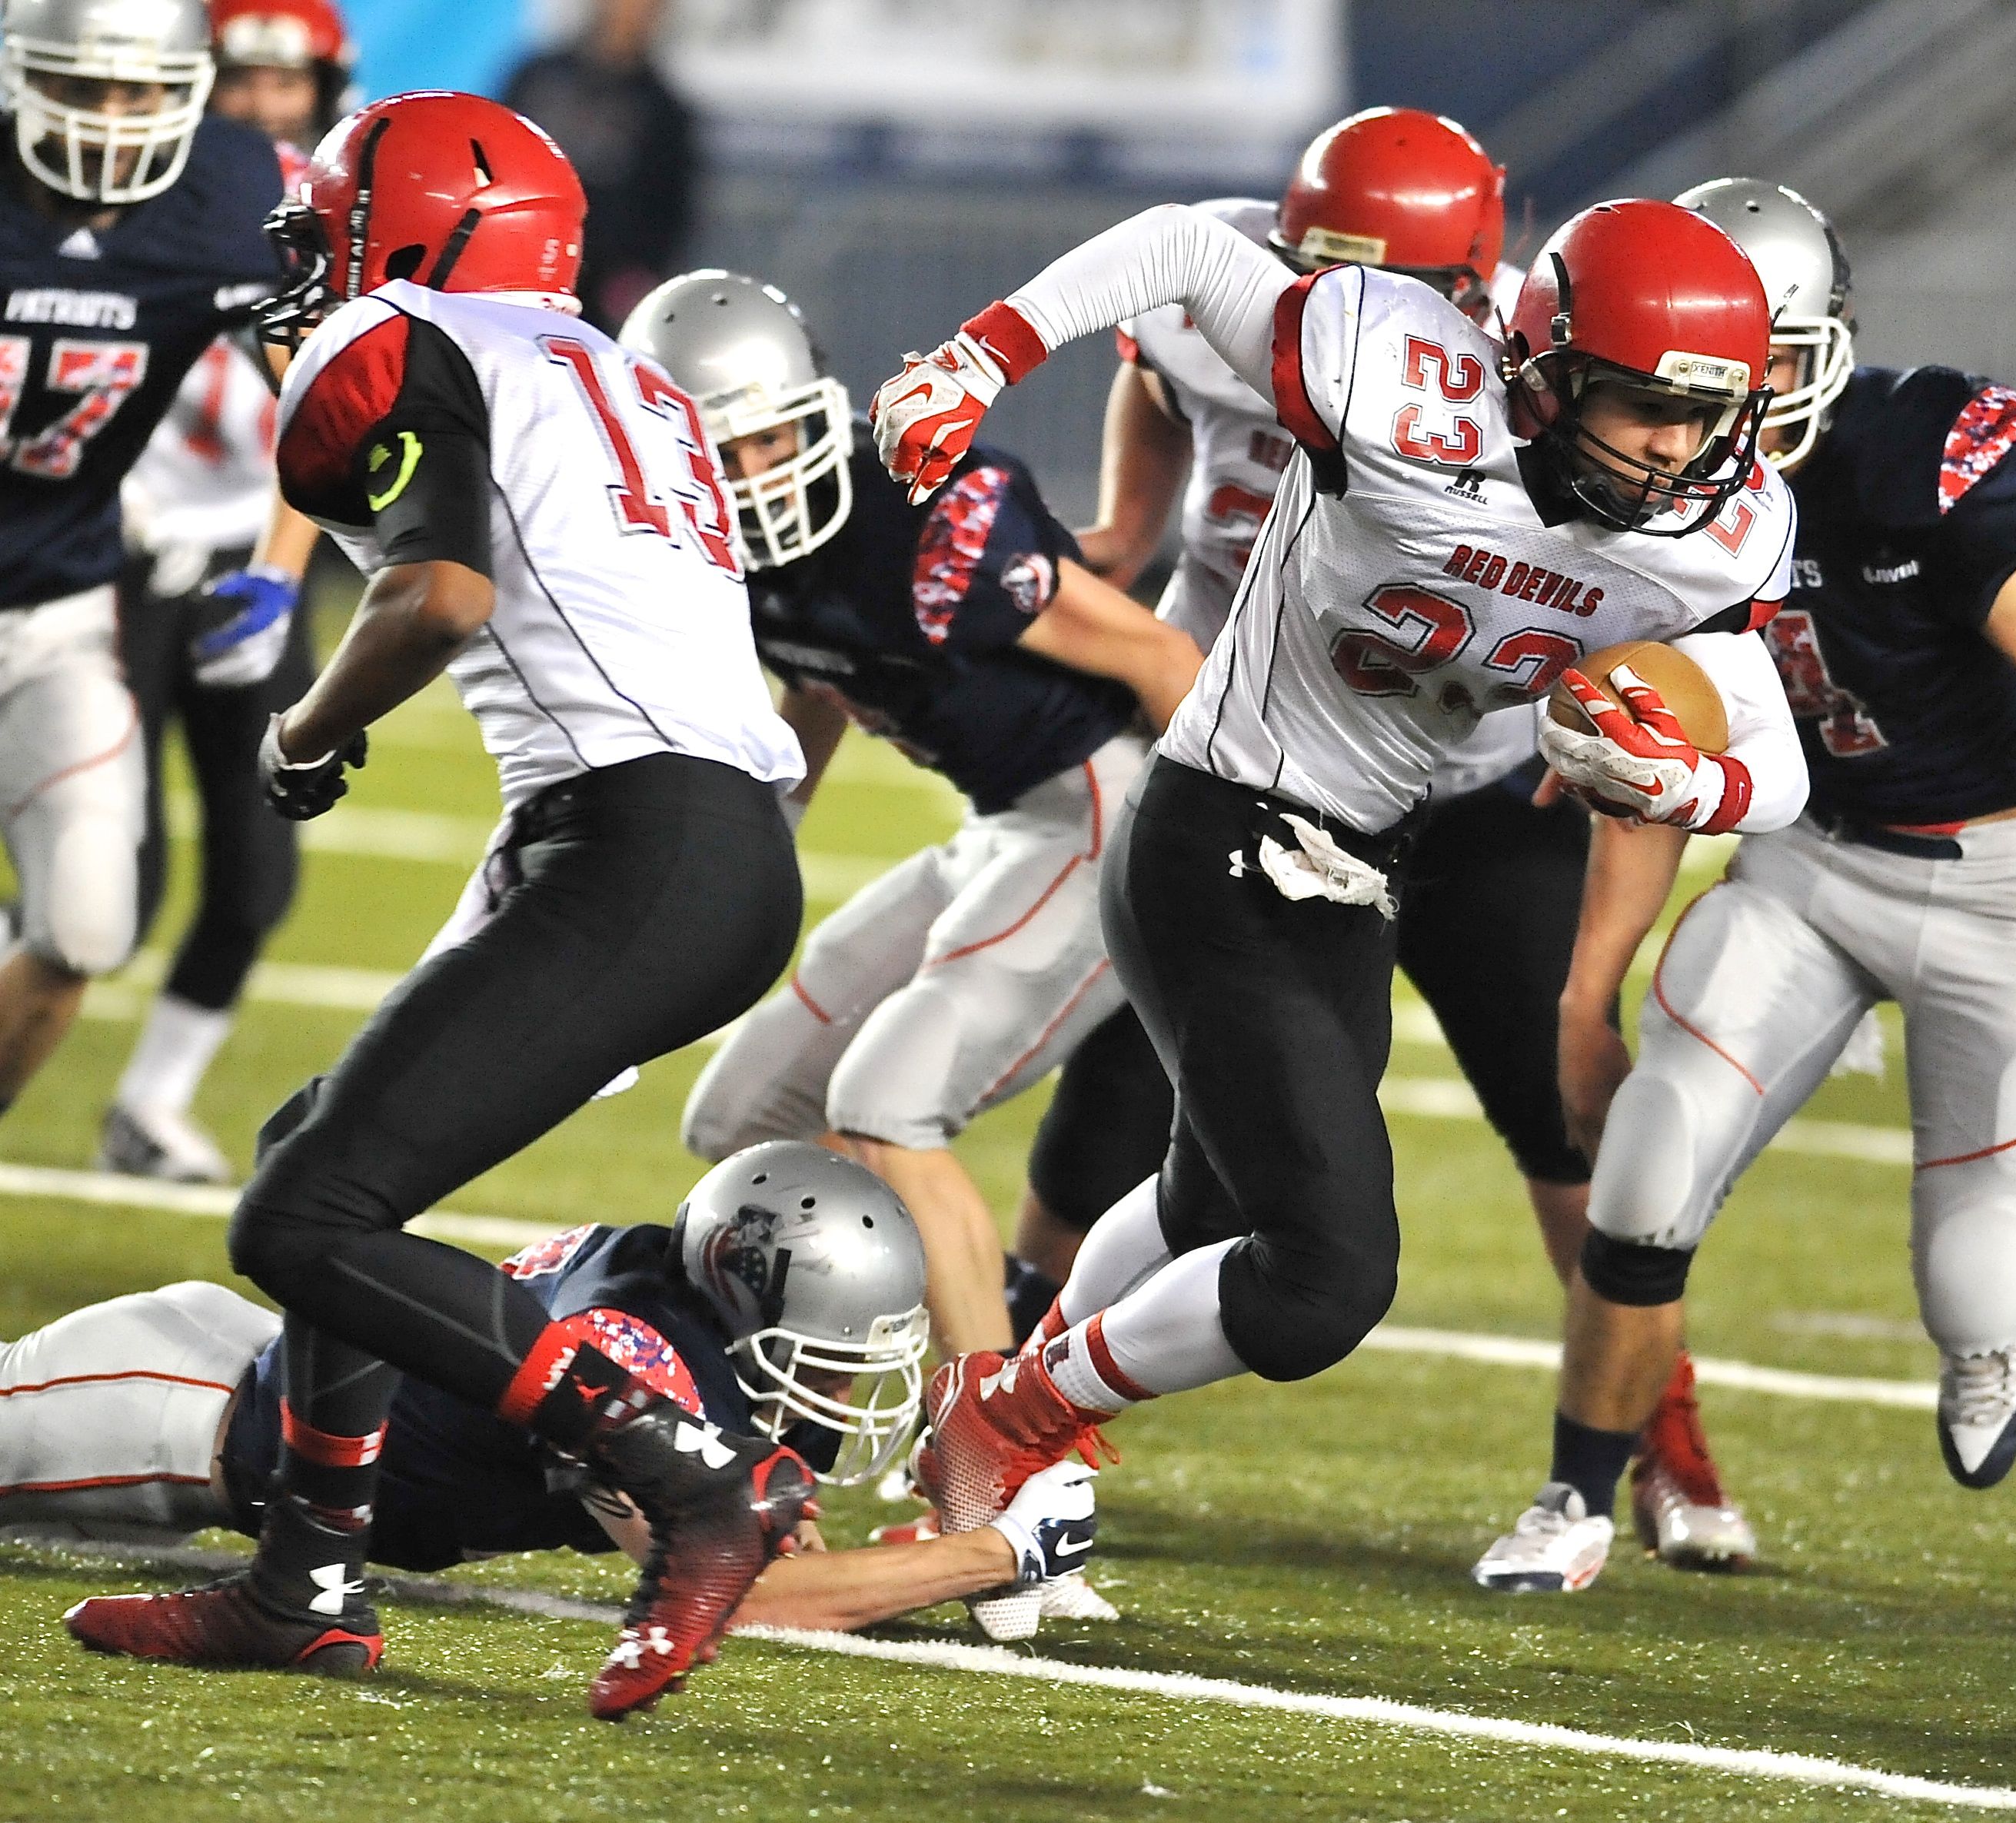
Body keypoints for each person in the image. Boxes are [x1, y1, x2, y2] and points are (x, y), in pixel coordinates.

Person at [870, 194, 1813, 1559]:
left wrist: (1695, 786)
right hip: (1220, 830)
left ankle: (1000, 1418)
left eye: (1704, 416)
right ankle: (1007, 1420)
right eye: (1642, 405)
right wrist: (982, 353)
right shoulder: (1398, 371)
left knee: (1210, 1205)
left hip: (1360, 872)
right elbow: (1183, 251)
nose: (1677, 451)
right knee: (1320, 1282)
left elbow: (1775, 750)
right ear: (1543, 380)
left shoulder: (1718, 531)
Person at [1465, 179, 2016, 1592]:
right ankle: (1577, 1496)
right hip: (1806, 864)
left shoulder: (1914, 460)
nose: (1720, 413)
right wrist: (1587, 993)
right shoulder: (1637, 496)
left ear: (1820, 348)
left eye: (1756, 367)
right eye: (1679, 385)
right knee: (1645, 1158)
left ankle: (1987, 1340)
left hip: (1996, 880)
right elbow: (1644, 772)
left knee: (1973, 1276)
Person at [63, 92, 816, 1722]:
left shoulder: (402, 331)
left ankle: (690, 1480)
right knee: (312, 1157)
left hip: (636, 841)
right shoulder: (616, 366)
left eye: (328, 229)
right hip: (693, 836)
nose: (307, 268)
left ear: (401, 234)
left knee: (302, 1223)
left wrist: (304, 729)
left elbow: (438, 589)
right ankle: (305, 1584)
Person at [624, 269, 1203, 1365]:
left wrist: (1225, 856)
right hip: (1002, 824)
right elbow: (823, 664)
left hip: (1101, 808)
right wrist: (771, 818)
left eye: (769, 439)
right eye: (719, 452)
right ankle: (822, 1382)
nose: (753, 477)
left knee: (885, 1103)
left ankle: (1002, 1468)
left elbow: (1158, 653)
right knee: (742, 1118)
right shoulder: (725, 556)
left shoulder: (926, 510)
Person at [2, 1145, 1100, 1636]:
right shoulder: (632, 1353)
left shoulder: (673, 1291)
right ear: (748, 1296)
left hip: (241, 1364)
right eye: (831, 1346)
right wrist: (998, 1553)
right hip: (177, 1409)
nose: (849, 1379)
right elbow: (747, 1594)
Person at [0, 0, 291, 1126]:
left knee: (85, 925)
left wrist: (300, 550)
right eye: (80, 89)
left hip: (53, 614)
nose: (108, 123)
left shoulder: (228, 194)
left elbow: (328, 397)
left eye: (137, 94)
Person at [101, 0, 356, 1183]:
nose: (261, 105)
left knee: (259, 874)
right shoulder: (130, 183)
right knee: (112, 876)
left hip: (257, 551)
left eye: (283, 83)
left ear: (323, 83)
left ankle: (149, 1105)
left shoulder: (346, 218)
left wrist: (277, 567)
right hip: (115, 549)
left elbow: (325, 419)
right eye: (240, 81)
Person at [501, 0, 697, 331]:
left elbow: (668, 213)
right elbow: (489, 153)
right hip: (507, 263)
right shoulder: (538, 78)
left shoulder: (665, 111)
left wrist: (633, 280)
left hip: (592, 296)